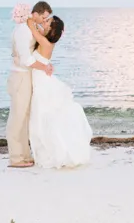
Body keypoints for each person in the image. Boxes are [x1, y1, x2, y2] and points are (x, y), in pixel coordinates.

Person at [26, 14, 93, 169]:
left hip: (42, 82)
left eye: (48, 21)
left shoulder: (45, 42)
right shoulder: (46, 41)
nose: (45, 21)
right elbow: (37, 29)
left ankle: (48, 151)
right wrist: (41, 22)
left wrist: (30, 16)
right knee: (41, 115)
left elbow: (30, 24)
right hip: (41, 79)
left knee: (41, 115)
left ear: (51, 29)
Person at [6, 0, 54, 169]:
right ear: (36, 13)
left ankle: (24, 155)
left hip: (26, 77)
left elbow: (43, 35)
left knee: (25, 117)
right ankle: (16, 158)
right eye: (44, 17)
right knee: (17, 118)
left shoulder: (29, 27)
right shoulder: (23, 31)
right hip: (20, 77)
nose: (44, 20)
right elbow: (26, 59)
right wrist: (45, 67)